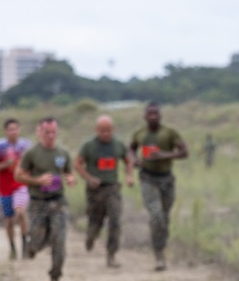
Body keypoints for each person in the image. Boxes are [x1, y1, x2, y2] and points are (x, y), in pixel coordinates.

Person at [15, 117, 76, 281]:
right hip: (38, 202)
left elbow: (69, 173)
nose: (50, 136)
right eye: (46, 132)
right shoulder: (32, 153)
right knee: (36, 237)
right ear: (40, 132)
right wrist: (38, 180)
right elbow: (18, 175)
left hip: (58, 201)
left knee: (60, 240)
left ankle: (55, 277)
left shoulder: (63, 153)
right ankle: (32, 246)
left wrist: (71, 179)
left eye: (53, 132)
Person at [130, 102, 188, 271]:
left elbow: (184, 152)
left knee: (164, 217)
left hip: (167, 179)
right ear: (145, 116)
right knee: (156, 215)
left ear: (161, 115)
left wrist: (165, 154)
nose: (153, 117)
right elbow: (131, 148)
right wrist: (134, 159)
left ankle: (161, 243)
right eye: (150, 114)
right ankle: (159, 254)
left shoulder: (169, 133)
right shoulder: (140, 133)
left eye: (156, 113)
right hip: (148, 178)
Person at [74, 115, 133, 268]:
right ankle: (91, 237)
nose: (105, 133)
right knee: (95, 222)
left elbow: (128, 161)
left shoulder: (118, 145)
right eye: (102, 130)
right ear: (96, 130)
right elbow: (77, 164)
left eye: (108, 130)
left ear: (112, 130)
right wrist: (89, 177)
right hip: (95, 191)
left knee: (115, 221)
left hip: (112, 188)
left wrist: (129, 176)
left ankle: (111, 255)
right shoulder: (89, 146)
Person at [0, 118, 32, 260]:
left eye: (16, 129)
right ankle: (13, 248)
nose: (13, 132)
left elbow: (34, 164)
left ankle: (25, 244)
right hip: (5, 187)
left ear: (19, 130)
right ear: (6, 131)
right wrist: (6, 164)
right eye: (10, 129)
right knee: (9, 219)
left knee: (20, 211)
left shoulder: (26, 145)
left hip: (21, 185)